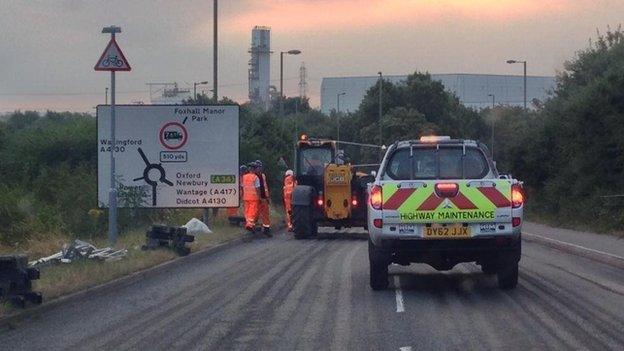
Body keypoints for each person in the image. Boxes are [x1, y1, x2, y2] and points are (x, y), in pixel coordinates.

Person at [241, 162, 261, 232]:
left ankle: (248, 223)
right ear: (254, 169)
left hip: (246, 197)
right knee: (252, 211)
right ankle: (250, 224)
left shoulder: (244, 177)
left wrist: (242, 195)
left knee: (247, 210)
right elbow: (257, 188)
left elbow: (242, 187)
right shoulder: (255, 177)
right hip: (253, 197)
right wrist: (259, 197)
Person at [254, 160, 272, 237]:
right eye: (258, 167)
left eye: (260, 167)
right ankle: (252, 227)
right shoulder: (253, 176)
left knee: (266, 214)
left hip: (263, 198)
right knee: (254, 214)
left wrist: (267, 197)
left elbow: (265, 187)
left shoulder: (263, 176)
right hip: (255, 199)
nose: (259, 169)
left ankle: (266, 229)